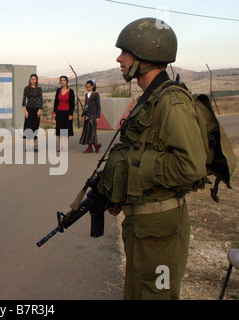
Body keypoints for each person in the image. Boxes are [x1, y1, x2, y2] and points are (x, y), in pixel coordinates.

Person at [98, 18, 207, 300]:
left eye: (125, 52)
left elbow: (191, 167)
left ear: (145, 55)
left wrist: (132, 173)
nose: (119, 58)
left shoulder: (173, 103)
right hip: (145, 227)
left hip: (162, 232)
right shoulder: (151, 98)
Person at [53, 76, 75, 152]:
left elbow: (72, 104)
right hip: (59, 112)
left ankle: (65, 146)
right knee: (59, 130)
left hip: (67, 113)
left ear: (67, 81)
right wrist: (54, 112)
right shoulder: (58, 90)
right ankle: (60, 146)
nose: (62, 82)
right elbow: (56, 102)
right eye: (61, 80)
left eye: (64, 80)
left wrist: (71, 114)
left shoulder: (71, 91)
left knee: (66, 130)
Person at [79, 80, 101, 153]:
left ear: (93, 86)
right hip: (87, 116)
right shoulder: (86, 95)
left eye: (89, 87)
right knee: (87, 131)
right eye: (87, 87)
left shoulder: (96, 94)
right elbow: (86, 106)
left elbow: (98, 106)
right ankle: (90, 147)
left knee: (92, 131)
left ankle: (96, 144)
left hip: (93, 116)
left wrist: (98, 116)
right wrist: (83, 115)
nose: (88, 88)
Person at [22, 74, 43, 152]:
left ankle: (34, 146)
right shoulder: (26, 88)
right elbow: (24, 100)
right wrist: (25, 110)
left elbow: (41, 100)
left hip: (36, 110)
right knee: (28, 128)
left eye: (34, 79)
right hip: (29, 110)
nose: (33, 80)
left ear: (36, 80)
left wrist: (40, 110)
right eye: (32, 79)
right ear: (30, 80)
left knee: (35, 128)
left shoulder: (39, 89)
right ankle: (28, 146)